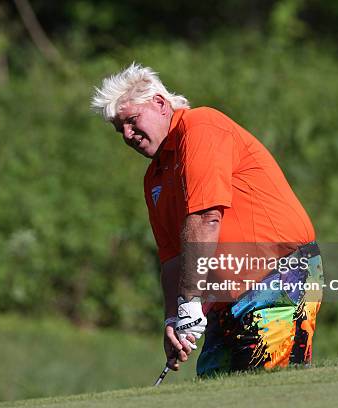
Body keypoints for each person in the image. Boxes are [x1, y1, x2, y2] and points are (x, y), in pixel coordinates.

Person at [90, 63, 324, 376]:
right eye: (121, 130)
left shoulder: (200, 127)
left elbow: (205, 217)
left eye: (132, 121)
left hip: (281, 273)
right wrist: (173, 319)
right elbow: (173, 259)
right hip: (226, 295)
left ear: (160, 104)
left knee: (268, 388)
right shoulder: (154, 178)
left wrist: (189, 301)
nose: (129, 135)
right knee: (216, 386)